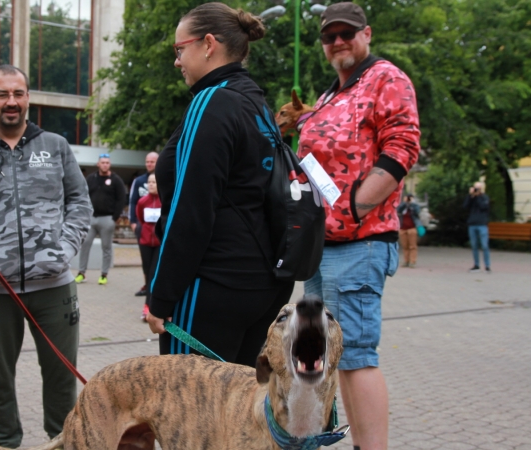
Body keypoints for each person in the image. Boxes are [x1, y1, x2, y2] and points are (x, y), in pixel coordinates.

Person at [0, 64, 92, 448]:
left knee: (61, 376)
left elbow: (79, 202)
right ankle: (5, 443)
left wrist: (64, 249)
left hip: (54, 286)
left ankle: (63, 441)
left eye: (19, 93)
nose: (12, 102)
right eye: (3, 94)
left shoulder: (56, 147)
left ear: (28, 97)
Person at [297, 3, 421, 449]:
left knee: (356, 357)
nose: (337, 42)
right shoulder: (333, 93)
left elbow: (403, 145)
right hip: (319, 244)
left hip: (359, 243)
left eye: (346, 33)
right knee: (324, 356)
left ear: (366, 33)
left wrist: (354, 205)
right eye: (329, 36)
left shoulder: (386, 77)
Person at [145, 3, 295, 367]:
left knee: (188, 415)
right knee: (235, 416)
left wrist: (160, 298)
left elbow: (191, 209)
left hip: (213, 285)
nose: (177, 61)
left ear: (208, 44)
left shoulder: (211, 100)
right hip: (263, 285)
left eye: (180, 49)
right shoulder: (255, 103)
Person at [75, 154, 126, 285]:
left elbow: (121, 199)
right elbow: (83, 195)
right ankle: (81, 273)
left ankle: (104, 274)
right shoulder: (91, 178)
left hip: (107, 219)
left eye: (107, 162)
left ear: (110, 164)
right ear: (98, 164)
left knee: (106, 247)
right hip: (91, 219)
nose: (105, 164)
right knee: (85, 245)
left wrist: (114, 217)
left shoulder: (116, 180)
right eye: (102, 162)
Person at [128, 151, 159, 297]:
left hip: (160, 230)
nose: (149, 164)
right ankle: (147, 286)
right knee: (146, 262)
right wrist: (133, 222)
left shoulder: (166, 179)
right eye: (147, 161)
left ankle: (156, 289)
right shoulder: (139, 181)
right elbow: (133, 202)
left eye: (152, 161)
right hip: (143, 226)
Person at [135, 173, 161, 321]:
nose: (151, 185)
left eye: (154, 182)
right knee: (147, 272)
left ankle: (148, 307)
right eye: (149, 182)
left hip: (158, 244)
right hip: (145, 243)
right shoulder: (142, 202)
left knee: (153, 275)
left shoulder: (164, 201)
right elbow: (139, 217)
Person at [463, 181, 491, 273]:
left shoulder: (484, 197)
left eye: (478, 188)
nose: (476, 189)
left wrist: (478, 196)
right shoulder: (472, 198)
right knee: (474, 245)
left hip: (482, 224)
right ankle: (476, 265)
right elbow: (465, 206)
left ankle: (487, 265)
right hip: (472, 224)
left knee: (484, 245)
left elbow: (483, 207)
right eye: (475, 187)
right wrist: (470, 196)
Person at [397, 194, 422, 268]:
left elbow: (417, 212)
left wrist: (412, 203)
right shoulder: (402, 206)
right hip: (402, 228)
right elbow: (398, 210)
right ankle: (406, 261)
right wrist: (405, 203)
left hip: (412, 228)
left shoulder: (415, 206)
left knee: (412, 246)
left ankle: (412, 261)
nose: (408, 199)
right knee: (405, 246)